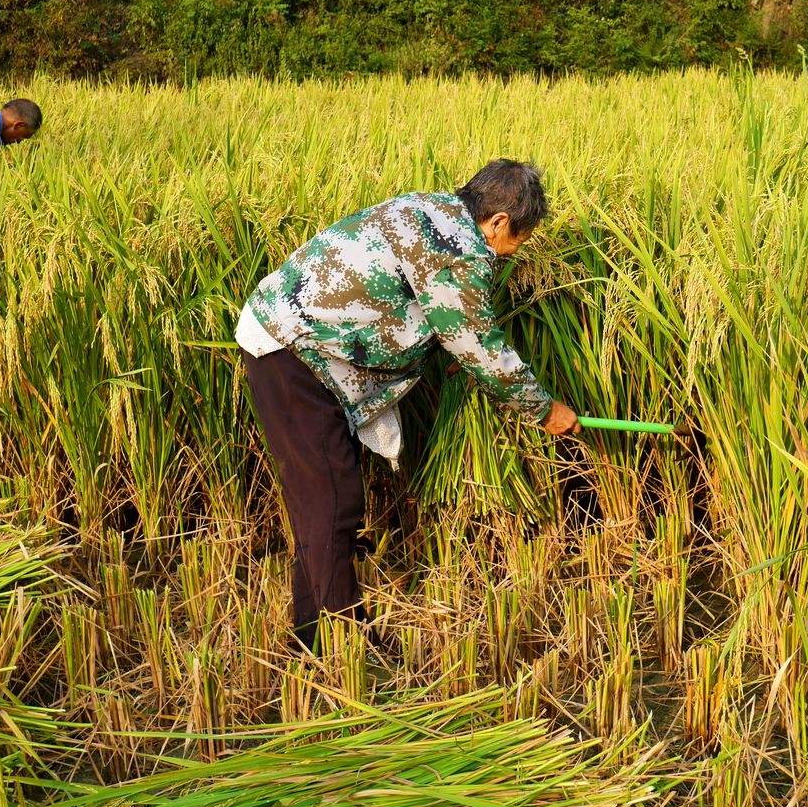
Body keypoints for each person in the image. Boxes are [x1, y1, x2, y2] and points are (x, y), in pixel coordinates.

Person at [235, 159, 580, 647]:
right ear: (499, 221)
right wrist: (544, 410)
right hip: (295, 354)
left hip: (298, 343)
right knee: (333, 504)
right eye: (516, 241)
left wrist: (447, 349)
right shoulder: (459, 249)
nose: (511, 254)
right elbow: (480, 343)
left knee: (322, 502)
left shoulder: (432, 208)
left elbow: (416, 305)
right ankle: (345, 645)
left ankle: (311, 637)